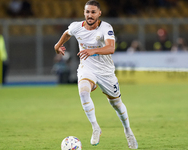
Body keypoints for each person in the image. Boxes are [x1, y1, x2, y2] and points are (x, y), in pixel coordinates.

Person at [54, 0, 138, 149]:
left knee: (117, 104)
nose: (90, 15)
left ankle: (128, 131)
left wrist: (92, 51)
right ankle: (95, 127)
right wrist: (57, 45)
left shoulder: (106, 28)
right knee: (83, 92)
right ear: (84, 13)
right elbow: (67, 33)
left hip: (105, 71)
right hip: (87, 68)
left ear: (99, 13)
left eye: (93, 12)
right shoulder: (76, 27)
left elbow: (111, 48)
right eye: (87, 12)